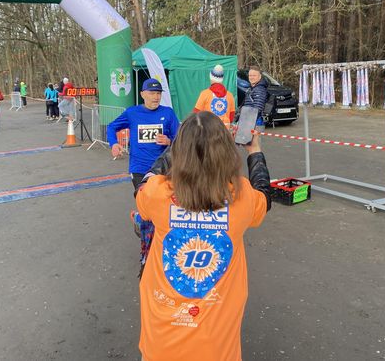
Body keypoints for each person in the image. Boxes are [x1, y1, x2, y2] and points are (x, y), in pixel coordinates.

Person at [135, 111, 271, 360]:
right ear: (227, 153)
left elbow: (146, 183)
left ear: (179, 153)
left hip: (161, 342)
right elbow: (264, 195)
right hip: (216, 348)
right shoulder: (243, 197)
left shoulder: (157, 194)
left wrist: (180, 146)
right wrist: (255, 152)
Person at [107, 78, 179, 190]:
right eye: (152, 93)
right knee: (144, 202)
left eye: (158, 93)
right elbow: (111, 126)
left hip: (163, 167)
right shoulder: (132, 113)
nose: (156, 97)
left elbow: (180, 139)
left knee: (161, 203)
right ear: (142, 94)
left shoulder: (168, 112)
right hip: (139, 168)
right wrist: (114, 144)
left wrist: (169, 141)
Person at [240, 65, 269, 132]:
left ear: (260, 76)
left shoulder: (259, 89)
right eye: (250, 75)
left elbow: (257, 109)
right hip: (250, 122)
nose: (251, 77)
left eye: (254, 75)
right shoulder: (252, 88)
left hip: (255, 123)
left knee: (255, 142)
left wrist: (247, 122)